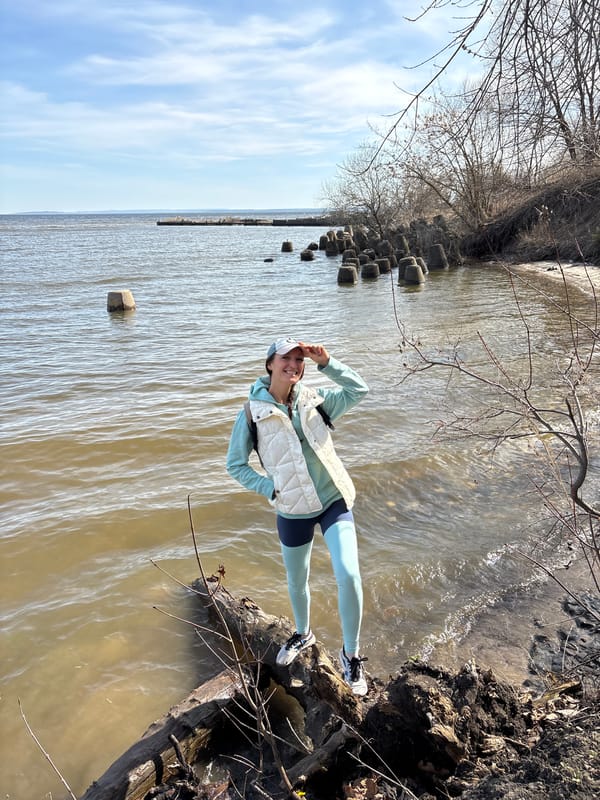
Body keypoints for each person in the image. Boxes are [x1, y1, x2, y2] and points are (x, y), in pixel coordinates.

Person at [226, 337, 369, 695]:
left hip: (333, 500)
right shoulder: (251, 413)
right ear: (270, 364)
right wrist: (268, 489)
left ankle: (351, 655)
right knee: (297, 581)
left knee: (349, 574)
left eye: (298, 359)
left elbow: (359, 389)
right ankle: (303, 634)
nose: (293, 364)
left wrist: (327, 362)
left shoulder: (314, 399)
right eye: (285, 358)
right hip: (292, 510)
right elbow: (235, 465)